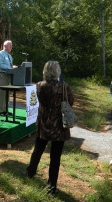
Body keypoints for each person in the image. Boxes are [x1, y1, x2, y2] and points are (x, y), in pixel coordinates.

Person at [22, 61, 74, 194]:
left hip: (44, 123)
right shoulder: (64, 86)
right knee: (55, 157)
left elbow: (38, 100)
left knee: (38, 150)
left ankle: (30, 172)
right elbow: (71, 102)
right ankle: (51, 186)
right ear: (58, 72)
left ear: (45, 71)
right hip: (59, 126)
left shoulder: (39, 85)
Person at [0, 40, 17, 116]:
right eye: (9, 45)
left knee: (7, 93)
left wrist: (15, 69)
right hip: (1, 75)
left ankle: (5, 109)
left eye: (11, 45)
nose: (11, 47)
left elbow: (10, 67)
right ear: (5, 46)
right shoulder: (0, 54)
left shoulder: (10, 56)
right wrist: (11, 67)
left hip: (8, 75)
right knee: (1, 92)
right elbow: (0, 65)